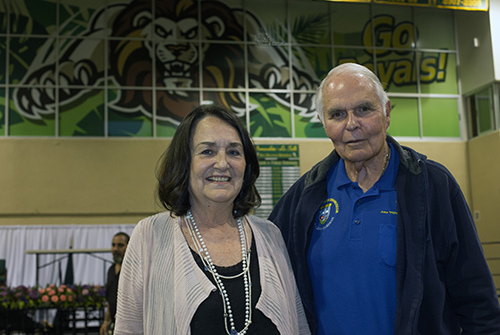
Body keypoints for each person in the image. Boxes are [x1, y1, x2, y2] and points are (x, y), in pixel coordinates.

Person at [269, 63, 500, 334]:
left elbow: (478, 301)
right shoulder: (304, 195)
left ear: (387, 112)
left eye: (364, 109)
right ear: (323, 123)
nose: (352, 124)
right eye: (337, 114)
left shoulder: (432, 186)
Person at [114, 104, 309, 334]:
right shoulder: (150, 235)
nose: (222, 164)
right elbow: (128, 329)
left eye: (234, 152)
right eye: (207, 151)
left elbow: (299, 327)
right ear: (185, 162)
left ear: (246, 166)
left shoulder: (270, 235)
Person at [100, 232, 129, 335]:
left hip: (129, 325)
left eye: (120, 245)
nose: (116, 249)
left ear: (129, 247)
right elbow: (110, 299)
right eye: (113, 245)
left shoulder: (133, 270)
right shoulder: (111, 270)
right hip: (115, 324)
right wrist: (106, 321)